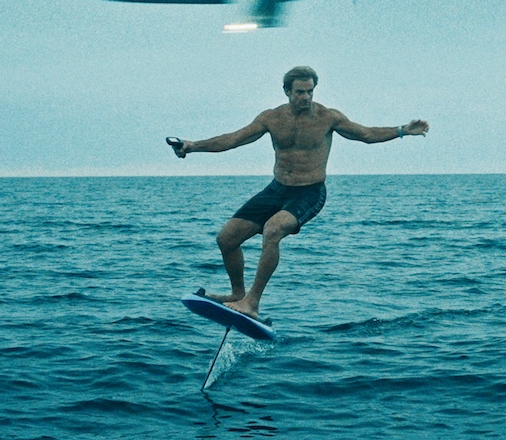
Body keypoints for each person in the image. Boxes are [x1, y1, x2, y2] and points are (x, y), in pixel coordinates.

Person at [169, 66, 428, 318]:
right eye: (300, 92)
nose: (305, 97)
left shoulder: (328, 118)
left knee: (273, 230)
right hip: (277, 189)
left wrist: (402, 130)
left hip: (309, 193)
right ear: (287, 92)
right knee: (226, 239)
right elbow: (233, 140)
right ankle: (238, 294)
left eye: (309, 91)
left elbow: (367, 134)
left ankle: (252, 303)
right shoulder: (271, 118)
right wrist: (192, 147)